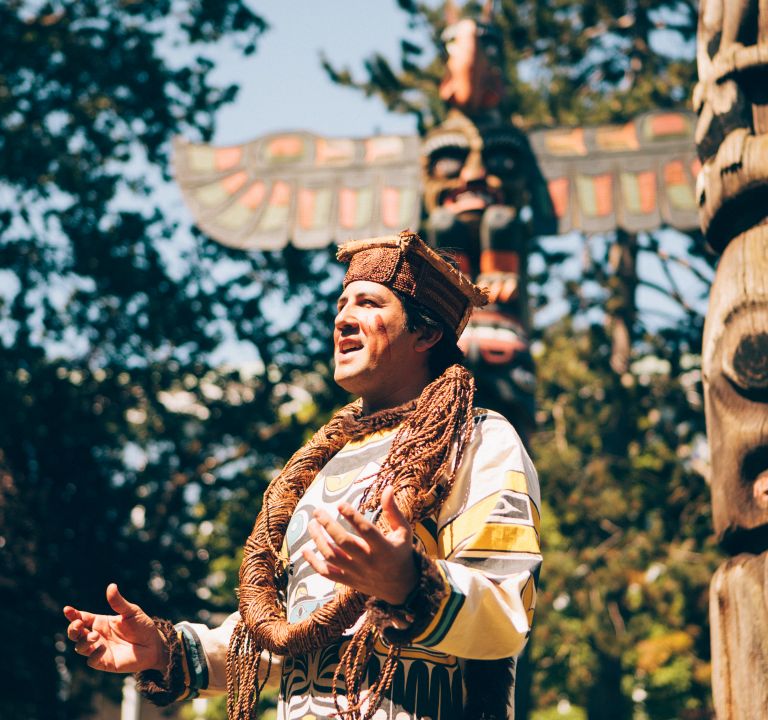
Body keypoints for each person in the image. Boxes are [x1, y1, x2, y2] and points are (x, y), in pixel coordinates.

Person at [64, 231, 542, 720]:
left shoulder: (478, 438)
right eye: (341, 303)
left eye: (369, 302)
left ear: (426, 333)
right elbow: (293, 632)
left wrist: (412, 584)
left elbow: (507, 612)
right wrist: (167, 650)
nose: (342, 318)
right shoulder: (325, 463)